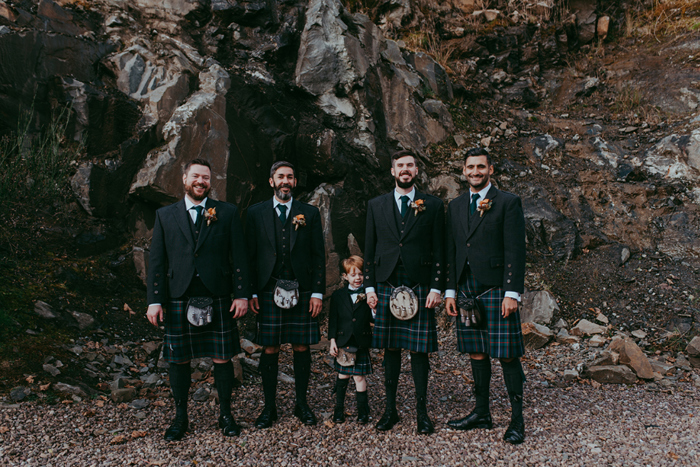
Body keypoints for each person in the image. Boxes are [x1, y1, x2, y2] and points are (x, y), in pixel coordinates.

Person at [146, 158, 250, 440]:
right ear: (184, 179)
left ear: (210, 181)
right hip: (179, 296)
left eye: (205, 177)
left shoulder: (226, 212)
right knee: (178, 360)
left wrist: (241, 294)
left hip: (216, 294)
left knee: (223, 357)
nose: (200, 181)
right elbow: (156, 261)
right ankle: (180, 418)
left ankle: (226, 415)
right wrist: (154, 300)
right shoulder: (165, 215)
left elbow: (239, 256)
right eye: (195, 176)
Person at [444, 147, 527, 444]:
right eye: (470, 167)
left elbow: (515, 251)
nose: (475, 172)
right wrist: (451, 291)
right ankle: (482, 413)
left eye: (481, 167)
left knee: (506, 354)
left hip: (496, 291)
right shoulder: (454, 206)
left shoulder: (507, 203)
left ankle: (517, 420)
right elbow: (452, 250)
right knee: (476, 352)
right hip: (466, 290)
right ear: (464, 171)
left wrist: (511, 293)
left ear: (491, 169)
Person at [364, 149, 445, 434]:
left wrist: (437, 286)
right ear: (392, 170)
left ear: (416, 171)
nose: (405, 169)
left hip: (420, 284)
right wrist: (369, 287)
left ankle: (422, 413)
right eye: (400, 165)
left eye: (410, 165)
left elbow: (440, 250)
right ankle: (390, 411)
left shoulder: (433, 205)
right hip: (386, 284)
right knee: (391, 350)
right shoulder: (376, 205)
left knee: (419, 351)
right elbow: (370, 250)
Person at [246, 161, 325, 428]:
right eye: (281, 176)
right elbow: (250, 257)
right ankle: (269, 408)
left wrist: (317, 293)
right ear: (271, 181)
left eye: (290, 177)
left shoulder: (309, 213)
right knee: (270, 347)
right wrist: (251, 293)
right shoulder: (255, 213)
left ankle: (301, 404)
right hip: (267, 290)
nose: (286, 181)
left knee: (302, 346)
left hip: (301, 290)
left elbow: (318, 256)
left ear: (294, 182)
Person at [328, 255, 373, 424]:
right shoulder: (338, 296)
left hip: (360, 341)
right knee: (342, 376)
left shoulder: (368, 294)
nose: (357, 278)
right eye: (353, 275)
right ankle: (338, 410)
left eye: (360, 274)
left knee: (359, 377)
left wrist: (373, 308)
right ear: (345, 276)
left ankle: (363, 411)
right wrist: (332, 341)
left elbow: (372, 318)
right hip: (343, 341)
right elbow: (333, 320)